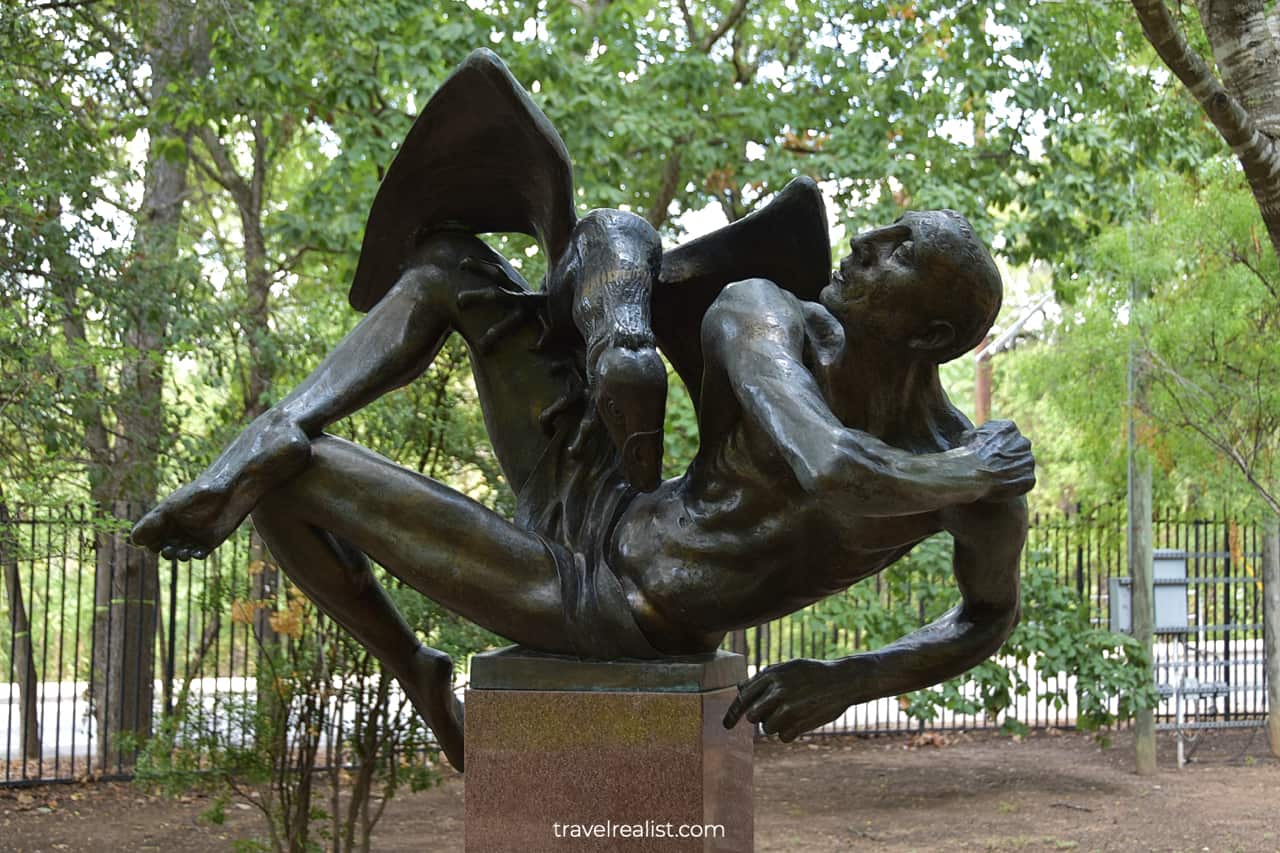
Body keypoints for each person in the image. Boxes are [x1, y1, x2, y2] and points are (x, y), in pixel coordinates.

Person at [131, 209, 1033, 771]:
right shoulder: (765, 314)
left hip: (614, 603)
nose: (869, 240)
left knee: (282, 481)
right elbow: (826, 458)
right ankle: (284, 428)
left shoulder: (969, 471)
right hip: (608, 506)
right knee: (449, 263)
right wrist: (965, 476)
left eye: (902, 250)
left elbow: (987, 614)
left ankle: (405, 650)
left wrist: (849, 676)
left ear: (936, 329)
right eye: (887, 228)